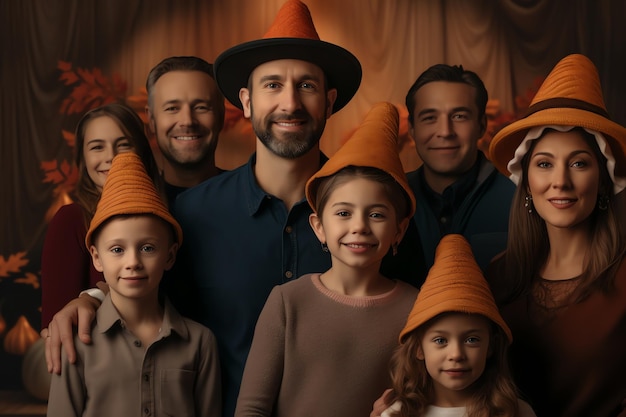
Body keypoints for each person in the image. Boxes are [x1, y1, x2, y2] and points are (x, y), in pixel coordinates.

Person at [42, 2, 422, 416]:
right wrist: (93, 298)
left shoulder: (377, 221)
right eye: (273, 85)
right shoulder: (190, 215)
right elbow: (144, 306)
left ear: (329, 102)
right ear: (246, 101)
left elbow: (419, 332)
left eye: (307, 86)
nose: (290, 103)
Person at [234, 102, 419, 417]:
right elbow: (252, 407)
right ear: (319, 227)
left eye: (376, 214)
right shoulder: (287, 302)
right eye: (343, 213)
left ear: (399, 230)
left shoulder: (416, 308)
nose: (358, 227)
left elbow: (420, 399)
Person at [487, 53, 626, 416]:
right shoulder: (496, 279)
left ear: (603, 179)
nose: (560, 182)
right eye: (545, 163)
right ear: (527, 182)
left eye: (579, 163)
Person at [46, 152, 221, 417]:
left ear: (170, 256)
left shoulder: (199, 343)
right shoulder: (77, 343)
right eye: (117, 249)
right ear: (96, 257)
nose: (133, 262)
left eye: (148, 248)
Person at [379, 234, 535, 417]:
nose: (456, 355)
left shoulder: (515, 412)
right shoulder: (398, 414)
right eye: (440, 340)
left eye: (471, 339)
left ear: (491, 346)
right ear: (419, 348)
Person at [41, 102, 163, 329]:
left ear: (142, 151)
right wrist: (94, 297)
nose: (112, 157)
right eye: (97, 147)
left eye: (124, 145)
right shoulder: (71, 220)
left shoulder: (166, 215)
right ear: (83, 158)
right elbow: (54, 327)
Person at [404, 64, 516, 272]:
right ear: (412, 128)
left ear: (481, 125)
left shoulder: (519, 201)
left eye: (459, 116)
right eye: (429, 118)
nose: (445, 132)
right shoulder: (391, 199)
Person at [145, 55, 226, 205]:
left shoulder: (253, 197)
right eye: (172, 108)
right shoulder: (137, 203)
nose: (187, 121)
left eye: (201, 107)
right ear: (151, 120)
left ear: (221, 117)